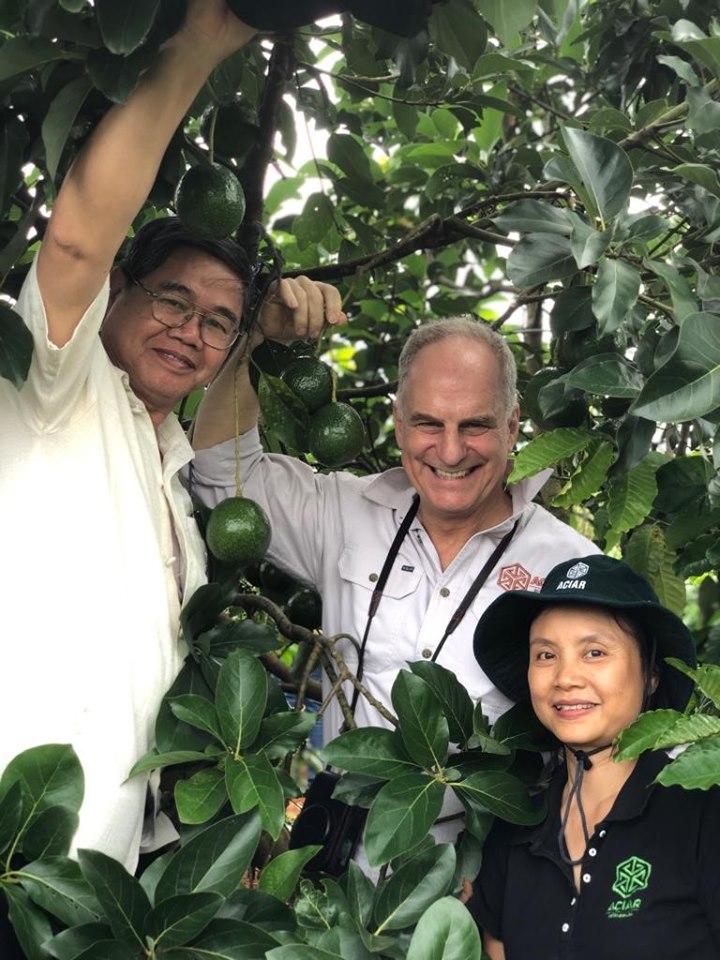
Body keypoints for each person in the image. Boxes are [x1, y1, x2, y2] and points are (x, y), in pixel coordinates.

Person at [0, 0, 343, 882]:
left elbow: (228, 444)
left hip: (93, 893)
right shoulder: (55, 389)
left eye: (217, 324)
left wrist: (257, 337)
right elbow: (76, 239)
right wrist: (203, 42)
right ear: (122, 288)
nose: (193, 333)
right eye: (172, 301)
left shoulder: (175, 476)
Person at [192, 318, 600, 751]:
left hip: (500, 819)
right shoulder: (345, 513)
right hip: (346, 814)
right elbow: (219, 470)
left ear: (512, 426)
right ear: (399, 424)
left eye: (474, 426)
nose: (450, 451)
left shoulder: (570, 567)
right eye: (428, 424)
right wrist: (261, 336)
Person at [468, 554, 720, 960]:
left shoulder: (703, 808)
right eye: (546, 655)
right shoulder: (514, 828)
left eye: (595, 653)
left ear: (651, 673)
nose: (566, 677)